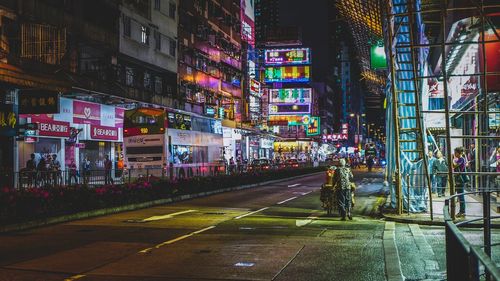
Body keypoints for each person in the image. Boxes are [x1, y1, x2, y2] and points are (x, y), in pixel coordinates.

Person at [453, 147, 468, 217]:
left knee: (461, 196)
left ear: (459, 153)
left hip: (460, 180)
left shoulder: (461, 159)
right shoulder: (459, 159)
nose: (454, 154)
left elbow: (455, 165)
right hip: (458, 179)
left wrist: (452, 160)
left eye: (455, 152)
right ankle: (461, 211)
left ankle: (462, 211)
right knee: (459, 196)